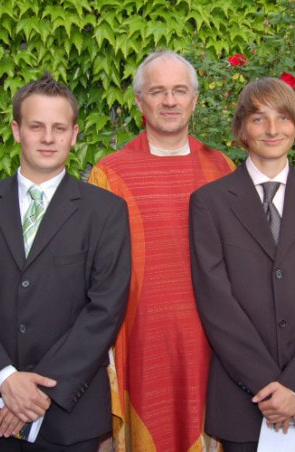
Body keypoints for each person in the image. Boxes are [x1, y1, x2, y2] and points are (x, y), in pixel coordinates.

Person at [0, 72, 131, 451]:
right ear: (16, 130)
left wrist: (37, 391)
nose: (48, 138)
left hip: (67, 417)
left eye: (59, 128)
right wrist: (6, 379)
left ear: (74, 134)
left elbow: (105, 308)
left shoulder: (106, 212)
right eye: (36, 126)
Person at [88, 50, 235, 451]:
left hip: (210, 339)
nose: (170, 101)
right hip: (138, 339)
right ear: (139, 101)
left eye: (179, 91)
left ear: (194, 100)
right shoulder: (110, 174)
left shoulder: (221, 168)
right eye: (157, 92)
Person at [189, 77, 295, 452]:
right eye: (259, 119)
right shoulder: (209, 203)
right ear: (241, 129)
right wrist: (264, 383)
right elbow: (216, 303)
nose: (272, 129)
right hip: (242, 395)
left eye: (283, 118)